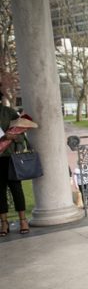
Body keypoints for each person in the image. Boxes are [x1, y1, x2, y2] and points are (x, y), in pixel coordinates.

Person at [0, 99, 30, 236]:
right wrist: (3, 136)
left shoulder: (9, 112)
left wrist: (14, 141)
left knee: (16, 189)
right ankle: (4, 223)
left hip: (10, 157)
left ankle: (23, 220)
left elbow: (21, 133)